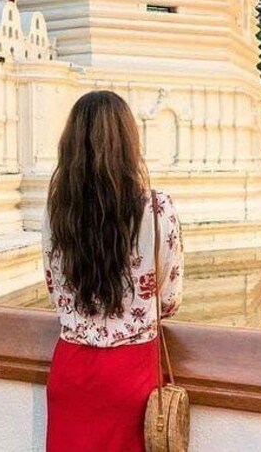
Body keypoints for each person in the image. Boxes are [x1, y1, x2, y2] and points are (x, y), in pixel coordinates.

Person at [43, 91, 184, 452]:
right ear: (129, 141)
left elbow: (53, 286)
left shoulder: (58, 210)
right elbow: (168, 300)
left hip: (71, 370)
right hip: (131, 373)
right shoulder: (157, 209)